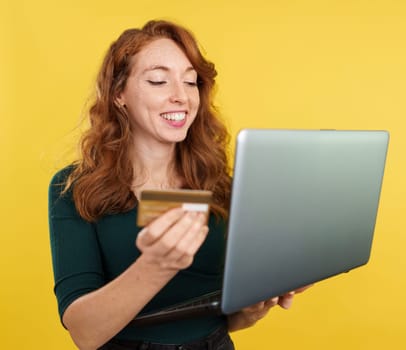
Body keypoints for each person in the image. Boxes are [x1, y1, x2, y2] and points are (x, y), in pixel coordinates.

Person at [48, 19, 305, 350]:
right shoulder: (74, 189)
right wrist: (155, 266)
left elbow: (227, 318)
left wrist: (253, 308)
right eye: (158, 81)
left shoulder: (222, 186)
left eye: (190, 81)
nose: (181, 97)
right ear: (118, 94)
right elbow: (84, 334)